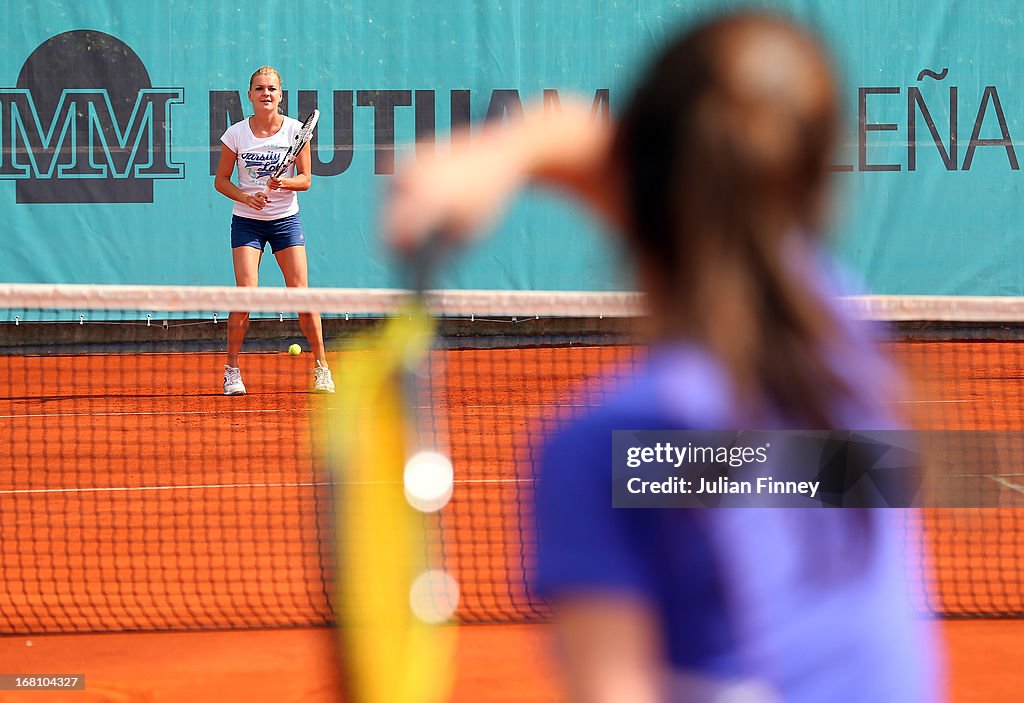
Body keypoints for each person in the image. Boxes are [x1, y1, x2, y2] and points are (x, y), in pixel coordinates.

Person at [386, 11, 942, 703]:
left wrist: (507, 150)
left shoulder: (607, 452)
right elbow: (713, 195)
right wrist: (512, 153)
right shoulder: (843, 337)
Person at [214, 65, 335, 395]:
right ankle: (232, 370)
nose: (266, 93)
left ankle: (322, 368)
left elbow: (306, 179)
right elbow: (221, 181)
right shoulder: (236, 134)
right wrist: (246, 197)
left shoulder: (297, 132)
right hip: (247, 223)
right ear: (250, 95)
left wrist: (286, 181)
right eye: (259, 88)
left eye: (272, 89)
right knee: (247, 293)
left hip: (285, 222)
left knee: (302, 295)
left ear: (280, 95)